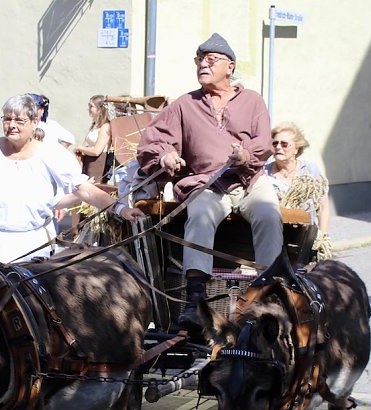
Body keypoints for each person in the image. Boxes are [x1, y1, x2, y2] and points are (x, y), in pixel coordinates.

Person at [136, 32, 279, 334]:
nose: (204, 64)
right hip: (208, 184)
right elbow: (155, 139)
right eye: (200, 60)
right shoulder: (184, 105)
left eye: (211, 60)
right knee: (199, 215)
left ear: (230, 66)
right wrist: (165, 157)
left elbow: (264, 142)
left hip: (249, 178)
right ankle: (194, 301)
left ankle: (269, 295)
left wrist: (245, 154)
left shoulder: (252, 101)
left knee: (269, 214)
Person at [0, 94, 142, 263]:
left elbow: (85, 189)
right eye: (7, 119)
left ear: (35, 122)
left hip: (32, 247)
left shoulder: (51, 154)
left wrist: (121, 208)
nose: (12, 125)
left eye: (19, 120)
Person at [263, 122, 332, 260]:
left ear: (296, 149)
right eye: (275, 143)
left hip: (304, 238)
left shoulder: (310, 171)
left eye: (284, 144)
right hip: (273, 237)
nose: (278, 147)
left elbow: (324, 207)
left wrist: (322, 237)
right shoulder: (265, 173)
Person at [72, 95, 113, 183]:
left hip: (97, 163)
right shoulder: (95, 125)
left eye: (91, 106)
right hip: (88, 162)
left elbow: (96, 151)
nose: (89, 109)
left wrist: (80, 148)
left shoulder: (105, 127)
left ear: (100, 109)